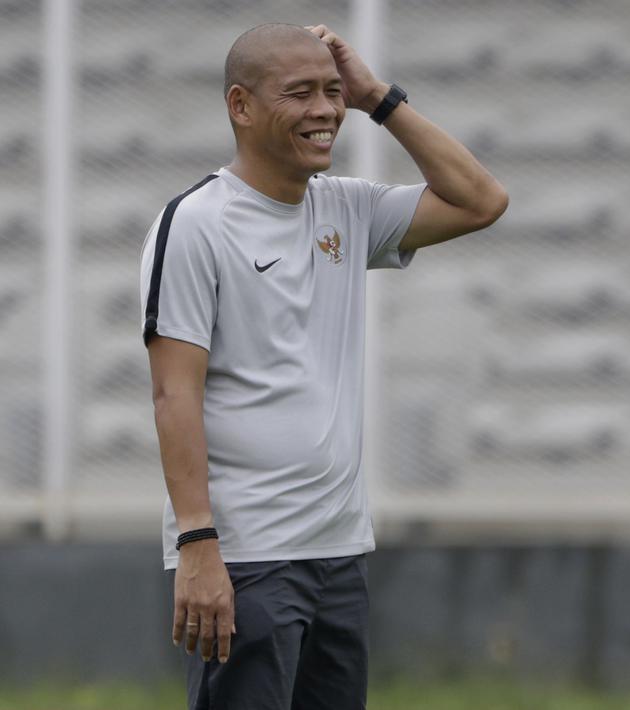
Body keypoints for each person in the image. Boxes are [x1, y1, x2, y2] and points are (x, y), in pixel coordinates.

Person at [139, 23, 507, 708]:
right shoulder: (195, 223)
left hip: (336, 550)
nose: (324, 111)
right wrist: (197, 544)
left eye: (332, 93)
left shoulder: (347, 209)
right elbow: (172, 395)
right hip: (245, 554)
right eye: (300, 93)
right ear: (241, 106)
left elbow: (480, 200)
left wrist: (378, 98)